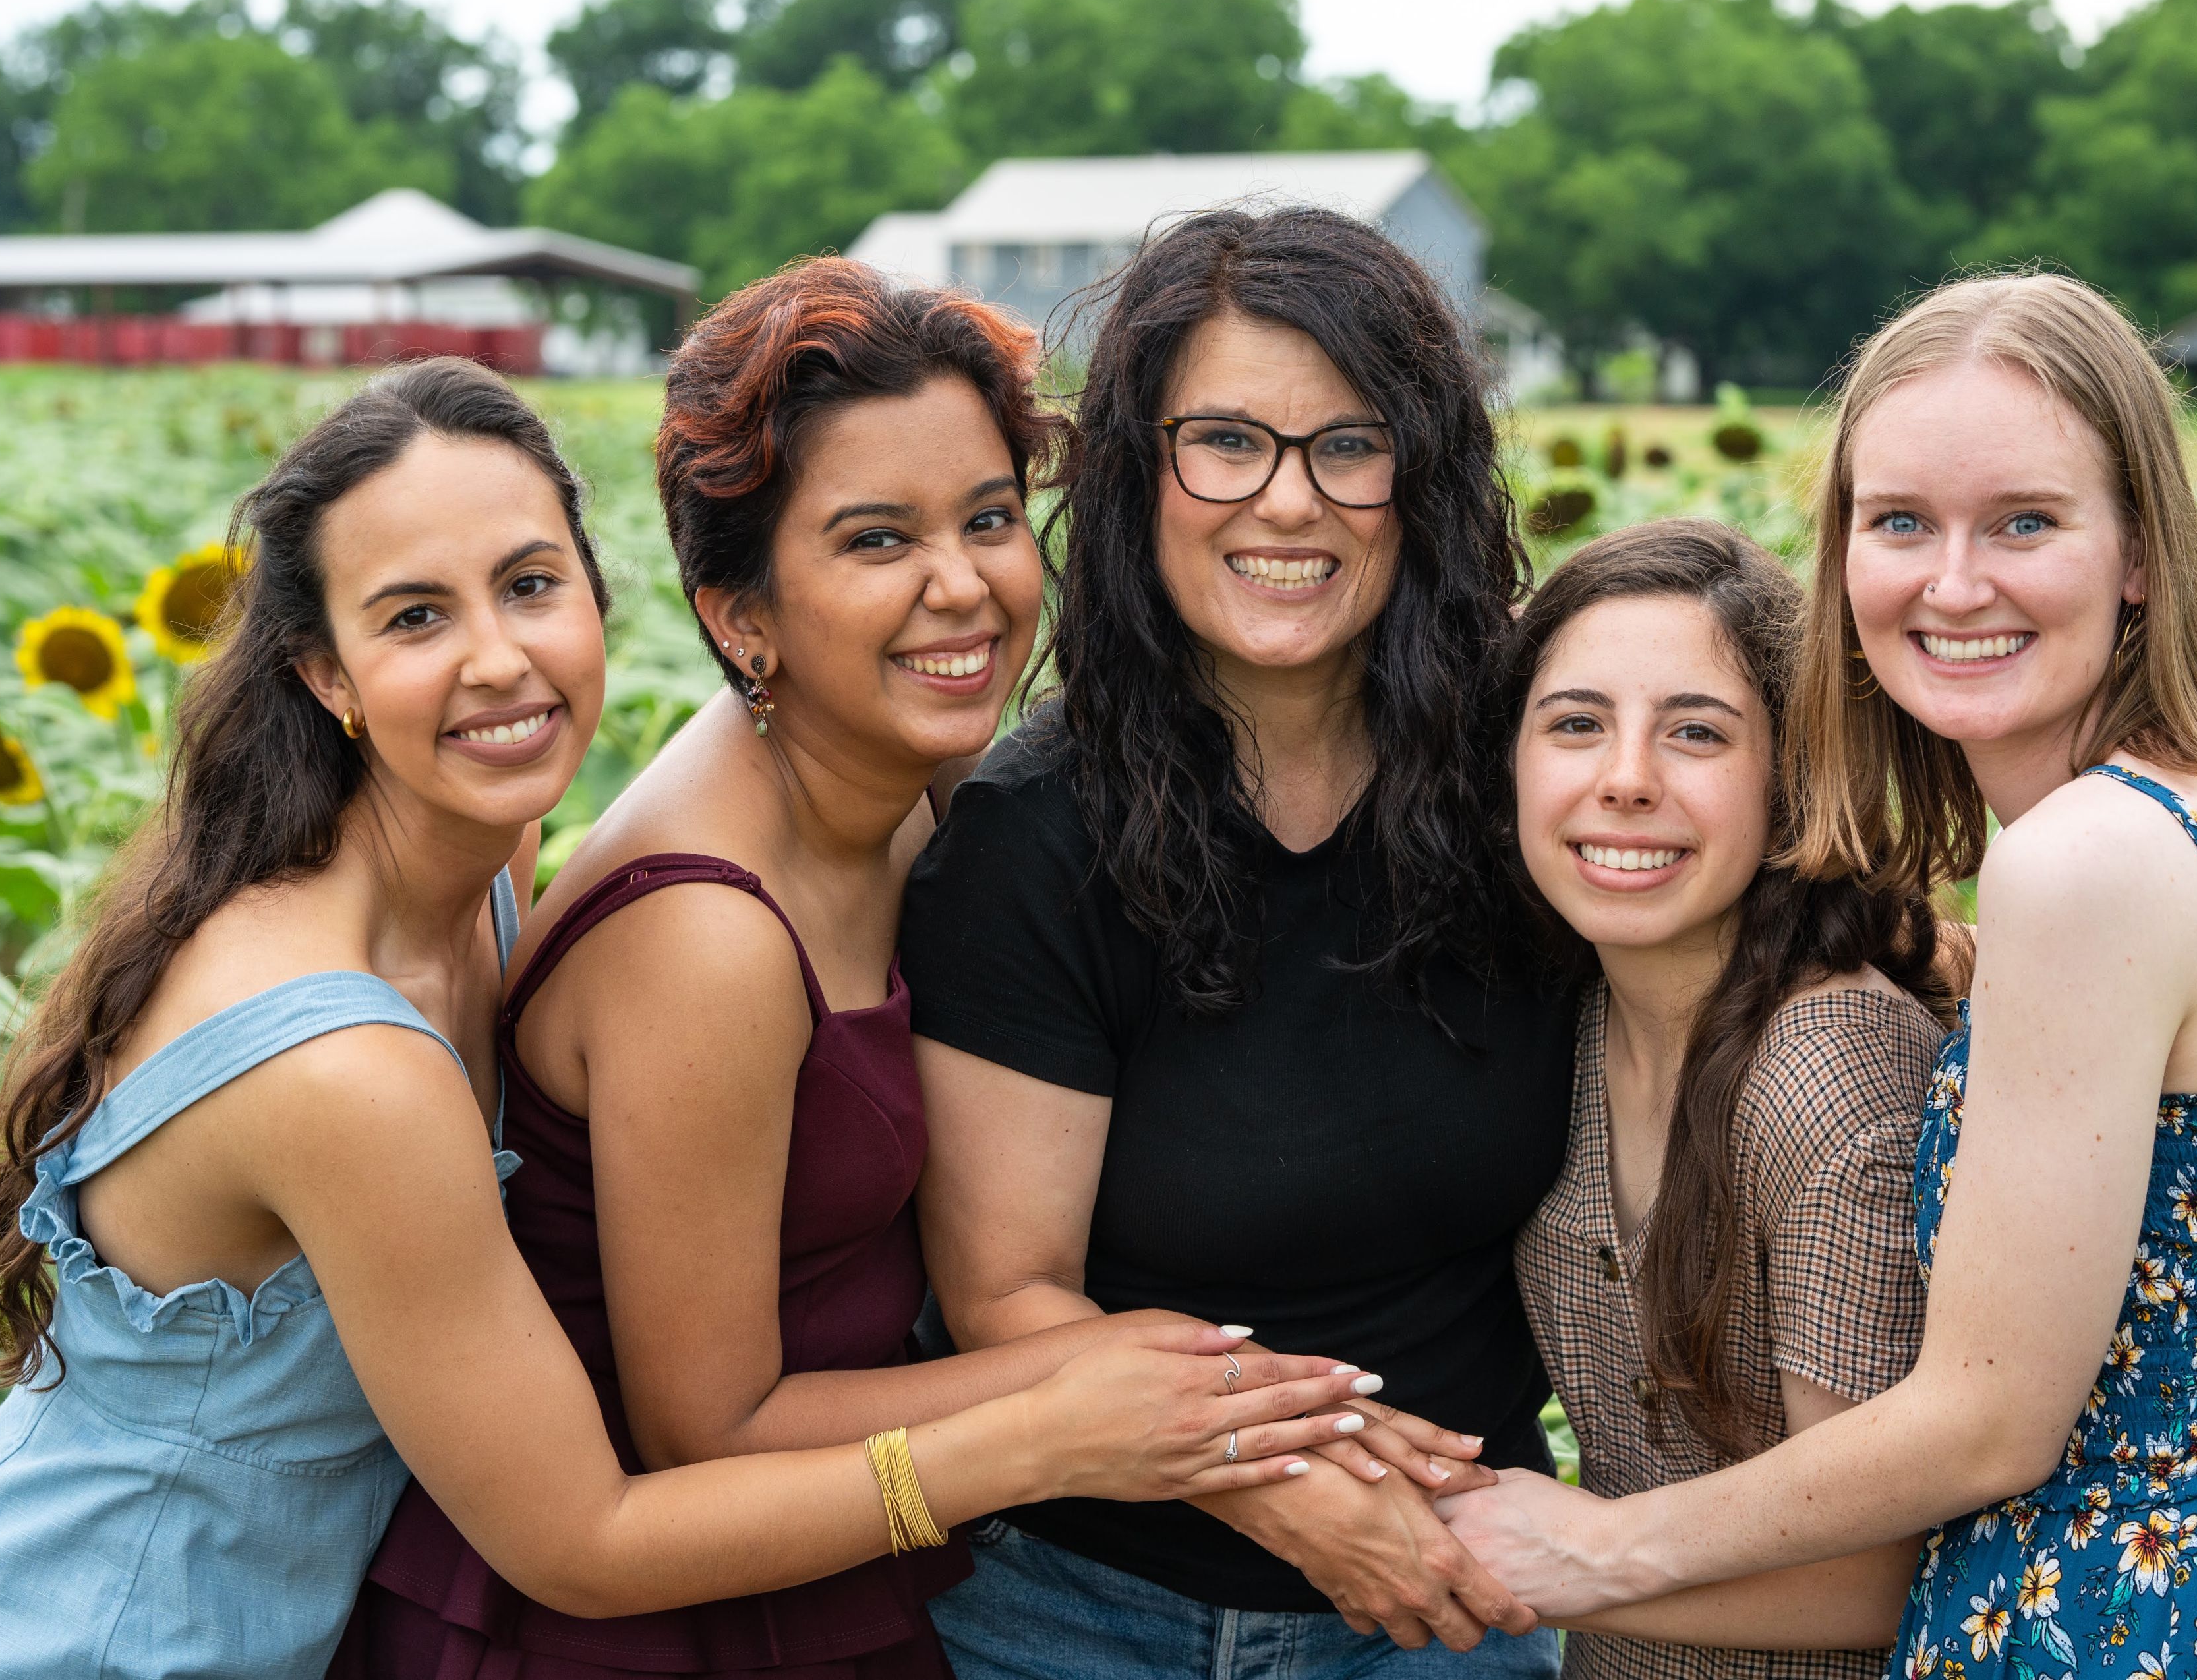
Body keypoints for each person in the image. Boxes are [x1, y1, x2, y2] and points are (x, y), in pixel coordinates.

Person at [0, 358, 1374, 1680]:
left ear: (602, 597)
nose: (500, 659)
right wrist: (1040, 1437)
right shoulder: (341, 1061)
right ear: (321, 673)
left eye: (530, 585)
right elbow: (582, 1538)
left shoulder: (482, 873)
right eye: (412, 617)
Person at [339, 263, 1432, 1680]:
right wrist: (1130, 1401)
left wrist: (1229, 1394)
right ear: (740, 612)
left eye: (986, 519)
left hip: (835, 1559)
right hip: (653, 1623)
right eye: (873, 541)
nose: (960, 585)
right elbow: (704, 1425)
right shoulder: (708, 934)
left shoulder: (912, 780)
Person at [1439, 274, 2197, 1680]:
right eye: (1898, 523)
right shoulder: (2166, 820)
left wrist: (1587, 1551)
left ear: (2136, 550)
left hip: (2129, 1621)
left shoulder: (2079, 861)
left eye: (2023, 521)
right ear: (1838, 561)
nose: (1952, 584)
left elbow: (1987, 1421)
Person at [901, 206, 1576, 1678]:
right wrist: (1292, 1487)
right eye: (1224, 441)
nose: (1288, 503)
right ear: (1140, 472)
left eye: (1350, 445)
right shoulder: (1031, 836)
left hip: (1449, 1594)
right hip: (1082, 1610)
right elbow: (1005, 1293)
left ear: (1424, 478)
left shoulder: (1528, 786)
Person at [1490, 519, 1951, 1680]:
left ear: (1789, 780)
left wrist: (1535, 1564)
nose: (1627, 778)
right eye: (1577, 723)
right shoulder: (1571, 1008)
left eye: (1696, 732)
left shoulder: (1828, 1080)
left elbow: (1877, 1572)